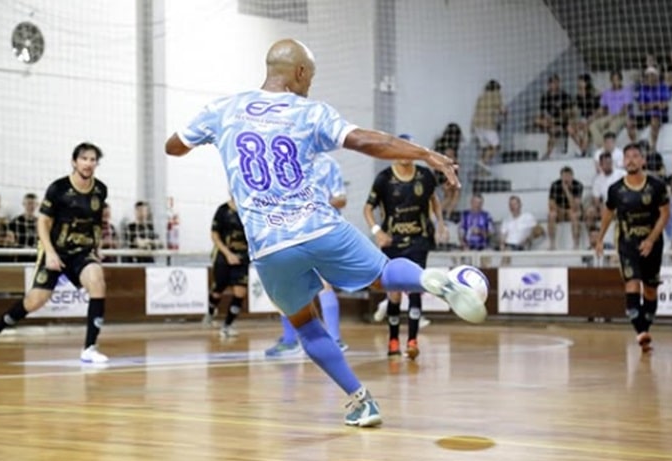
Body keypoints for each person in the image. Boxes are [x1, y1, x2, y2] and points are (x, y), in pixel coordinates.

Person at [165, 39, 481, 427]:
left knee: (304, 325)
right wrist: (424, 154)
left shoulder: (222, 109)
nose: (311, 84)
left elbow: (173, 147)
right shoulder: (310, 111)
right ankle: (434, 280)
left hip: (269, 247)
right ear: (299, 72)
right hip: (319, 227)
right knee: (384, 275)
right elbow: (368, 141)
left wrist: (212, 138)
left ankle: (360, 400)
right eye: (310, 76)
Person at [0, 142, 110, 363]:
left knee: (97, 282)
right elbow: (43, 222)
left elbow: (96, 223)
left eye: (92, 159)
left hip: (82, 251)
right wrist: (50, 252)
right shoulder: (58, 189)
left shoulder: (100, 190)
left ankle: (90, 348)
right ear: (74, 162)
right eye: (84, 158)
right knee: (35, 300)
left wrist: (97, 248)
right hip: (55, 249)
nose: (88, 163)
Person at [265, 152, 350, 357]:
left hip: (319, 230)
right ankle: (292, 339)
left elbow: (341, 199)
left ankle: (333, 339)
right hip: (289, 231)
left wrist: (313, 207)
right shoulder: (284, 163)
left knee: (321, 283)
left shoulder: (328, 163)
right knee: (285, 283)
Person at [363, 145, 443, 360]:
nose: (405, 155)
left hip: (419, 241)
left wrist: (441, 224)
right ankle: (393, 339)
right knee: (395, 292)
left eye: (409, 151)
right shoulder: (384, 178)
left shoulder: (425, 176)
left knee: (416, 287)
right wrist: (376, 231)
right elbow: (367, 208)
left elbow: (434, 200)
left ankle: (413, 341)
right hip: (393, 242)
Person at [596, 143, 669, 354]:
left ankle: (644, 328)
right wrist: (600, 238)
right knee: (632, 284)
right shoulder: (615, 190)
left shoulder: (656, 186)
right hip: (627, 243)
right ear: (623, 161)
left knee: (650, 290)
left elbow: (665, 214)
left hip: (653, 244)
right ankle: (640, 333)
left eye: (636, 156)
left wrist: (651, 239)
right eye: (627, 156)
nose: (631, 160)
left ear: (643, 161)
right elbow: (608, 214)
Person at [204, 196, 249, 339]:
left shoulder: (249, 209)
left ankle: (227, 326)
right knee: (218, 288)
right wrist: (228, 254)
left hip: (243, 255)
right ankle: (211, 312)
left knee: (240, 292)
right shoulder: (223, 210)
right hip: (223, 255)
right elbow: (214, 234)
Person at [10, 192, 39, 262]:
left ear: (37, 205)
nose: (31, 206)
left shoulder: (40, 223)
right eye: (29, 203)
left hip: (35, 258)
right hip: (20, 258)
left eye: (33, 204)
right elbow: (11, 242)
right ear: (24, 204)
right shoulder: (15, 222)